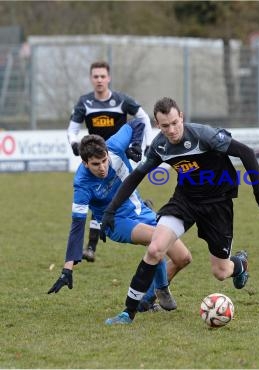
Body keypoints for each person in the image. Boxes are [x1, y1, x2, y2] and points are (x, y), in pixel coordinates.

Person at [101, 97, 259, 325]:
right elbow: (136, 177)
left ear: (181, 117)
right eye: (165, 126)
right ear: (157, 124)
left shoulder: (204, 135)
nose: (172, 130)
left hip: (217, 203)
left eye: (175, 123)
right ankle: (128, 312)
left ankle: (240, 264)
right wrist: (111, 210)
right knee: (155, 249)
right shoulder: (160, 146)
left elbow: (246, 153)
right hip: (185, 200)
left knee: (221, 272)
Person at [49, 118, 191, 313]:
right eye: (95, 164)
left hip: (139, 208)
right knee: (157, 239)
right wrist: (67, 268)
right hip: (116, 222)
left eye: (104, 160)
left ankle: (147, 299)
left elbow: (138, 123)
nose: (102, 167)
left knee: (183, 258)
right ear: (84, 163)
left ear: (108, 152)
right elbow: (77, 225)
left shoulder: (115, 145)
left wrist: (134, 144)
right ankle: (162, 288)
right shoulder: (82, 184)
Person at [67, 61, 153, 263]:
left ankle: (139, 212)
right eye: (95, 76)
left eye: (102, 76)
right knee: (97, 199)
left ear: (109, 78)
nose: (99, 80)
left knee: (113, 196)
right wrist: (74, 143)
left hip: (116, 155)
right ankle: (91, 246)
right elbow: (72, 129)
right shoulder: (85, 103)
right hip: (95, 157)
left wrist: (142, 145)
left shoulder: (122, 100)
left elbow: (143, 118)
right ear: (91, 79)